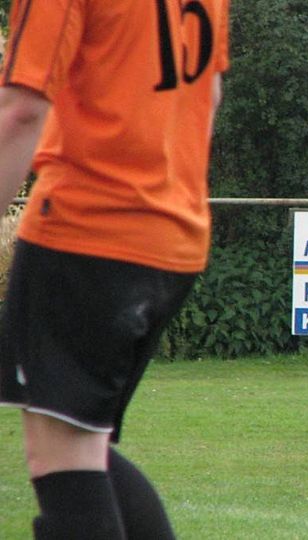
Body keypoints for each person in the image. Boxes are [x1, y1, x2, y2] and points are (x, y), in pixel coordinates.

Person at [0, 1, 230, 537]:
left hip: (87, 228)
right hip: (175, 234)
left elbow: (21, 109)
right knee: (84, 443)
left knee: (65, 456)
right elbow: (209, 95)